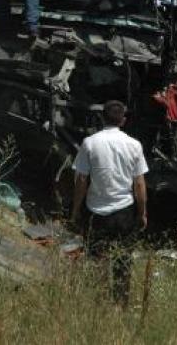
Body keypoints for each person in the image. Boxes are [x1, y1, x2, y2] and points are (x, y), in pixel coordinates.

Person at [71, 100, 148, 305]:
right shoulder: (134, 145)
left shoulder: (89, 143)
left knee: (97, 260)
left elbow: (81, 180)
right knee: (123, 262)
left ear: (102, 118)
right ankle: (120, 304)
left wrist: (76, 210)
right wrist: (141, 214)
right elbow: (139, 185)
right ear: (123, 120)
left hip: (95, 211)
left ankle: (100, 304)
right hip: (124, 212)